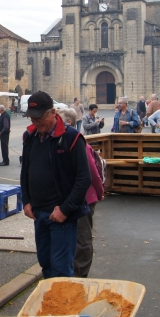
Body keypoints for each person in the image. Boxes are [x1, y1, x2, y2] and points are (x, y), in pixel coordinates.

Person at [20, 92, 91, 278]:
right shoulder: (30, 137)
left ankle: (63, 306)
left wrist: (65, 209)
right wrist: (26, 201)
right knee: (46, 263)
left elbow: (84, 179)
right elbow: (25, 172)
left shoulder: (71, 137)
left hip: (60, 216)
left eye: (40, 117)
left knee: (61, 269)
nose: (36, 122)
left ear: (52, 112)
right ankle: (52, 305)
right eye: (32, 118)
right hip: (38, 213)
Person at [57, 108, 105, 278]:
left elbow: (92, 172)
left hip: (84, 198)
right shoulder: (58, 140)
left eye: (59, 120)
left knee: (82, 238)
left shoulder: (77, 140)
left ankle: (80, 276)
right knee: (70, 237)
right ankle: (70, 272)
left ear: (69, 122)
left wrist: (99, 193)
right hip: (68, 198)